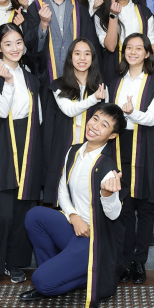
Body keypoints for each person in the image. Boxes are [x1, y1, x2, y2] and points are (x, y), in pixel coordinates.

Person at [20, 103, 127, 308]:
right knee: (35, 216)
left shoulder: (107, 166)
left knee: (40, 281)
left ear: (112, 136)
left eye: (104, 124)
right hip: (76, 228)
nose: (95, 125)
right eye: (95, 118)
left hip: (94, 240)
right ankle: (61, 272)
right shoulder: (74, 150)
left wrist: (107, 195)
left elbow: (114, 215)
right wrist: (73, 216)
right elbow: (62, 190)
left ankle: (87, 275)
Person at [0, 23, 44, 286]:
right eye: (8, 43)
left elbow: (35, 118)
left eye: (18, 42)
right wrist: (7, 82)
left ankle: (15, 262)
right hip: (1, 146)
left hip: (27, 144)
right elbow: (0, 111)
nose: (15, 48)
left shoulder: (30, 77)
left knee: (22, 212)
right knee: (2, 214)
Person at [109, 33, 154, 285]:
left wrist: (131, 114)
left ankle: (139, 262)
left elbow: (152, 118)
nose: (132, 52)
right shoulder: (115, 82)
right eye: (128, 48)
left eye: (138, 48)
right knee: (125, 206)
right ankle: (124, 261)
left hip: (146, 145)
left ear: (147, 53)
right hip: (120, 146)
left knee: (145, 207)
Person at [41, 38, 108, 204]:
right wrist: (94, 98)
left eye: (87, 54)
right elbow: (70, 110)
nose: (82, 58)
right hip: (63, 146)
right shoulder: (58, 85)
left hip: (90, 149)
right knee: (61, 197)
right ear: (70, 57)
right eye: (77, 54)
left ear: (93, 58)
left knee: (86, 198)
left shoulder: (100, 87)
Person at [24, 0, 100, 85]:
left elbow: (91, 46)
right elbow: (29, 49)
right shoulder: (34, 9)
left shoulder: (80, 9)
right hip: (46, 83)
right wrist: (43, 26)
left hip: (79, 82)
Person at [95, 0, 154, 84]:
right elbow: (110, 46)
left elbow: (152, 44)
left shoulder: (145, 12)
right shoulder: (101, 14)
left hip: (141, 70)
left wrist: (144, 68)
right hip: (113, 71)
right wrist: (113, 15)